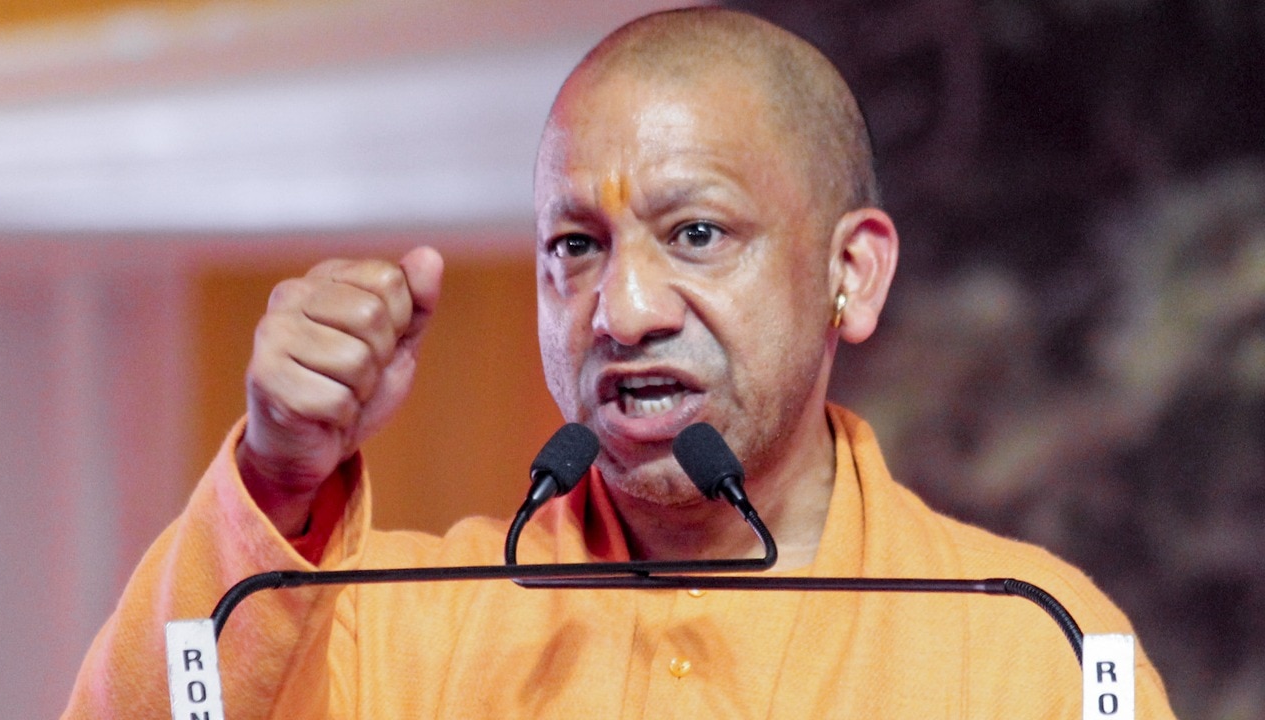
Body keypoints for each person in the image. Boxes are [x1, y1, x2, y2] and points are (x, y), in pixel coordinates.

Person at [63, 8, 1176, 718]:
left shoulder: (1035, 642)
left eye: (696, 234)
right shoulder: (380, 627)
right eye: (575, 248)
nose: (622, 311)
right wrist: (278, 477)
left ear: (855, 275)